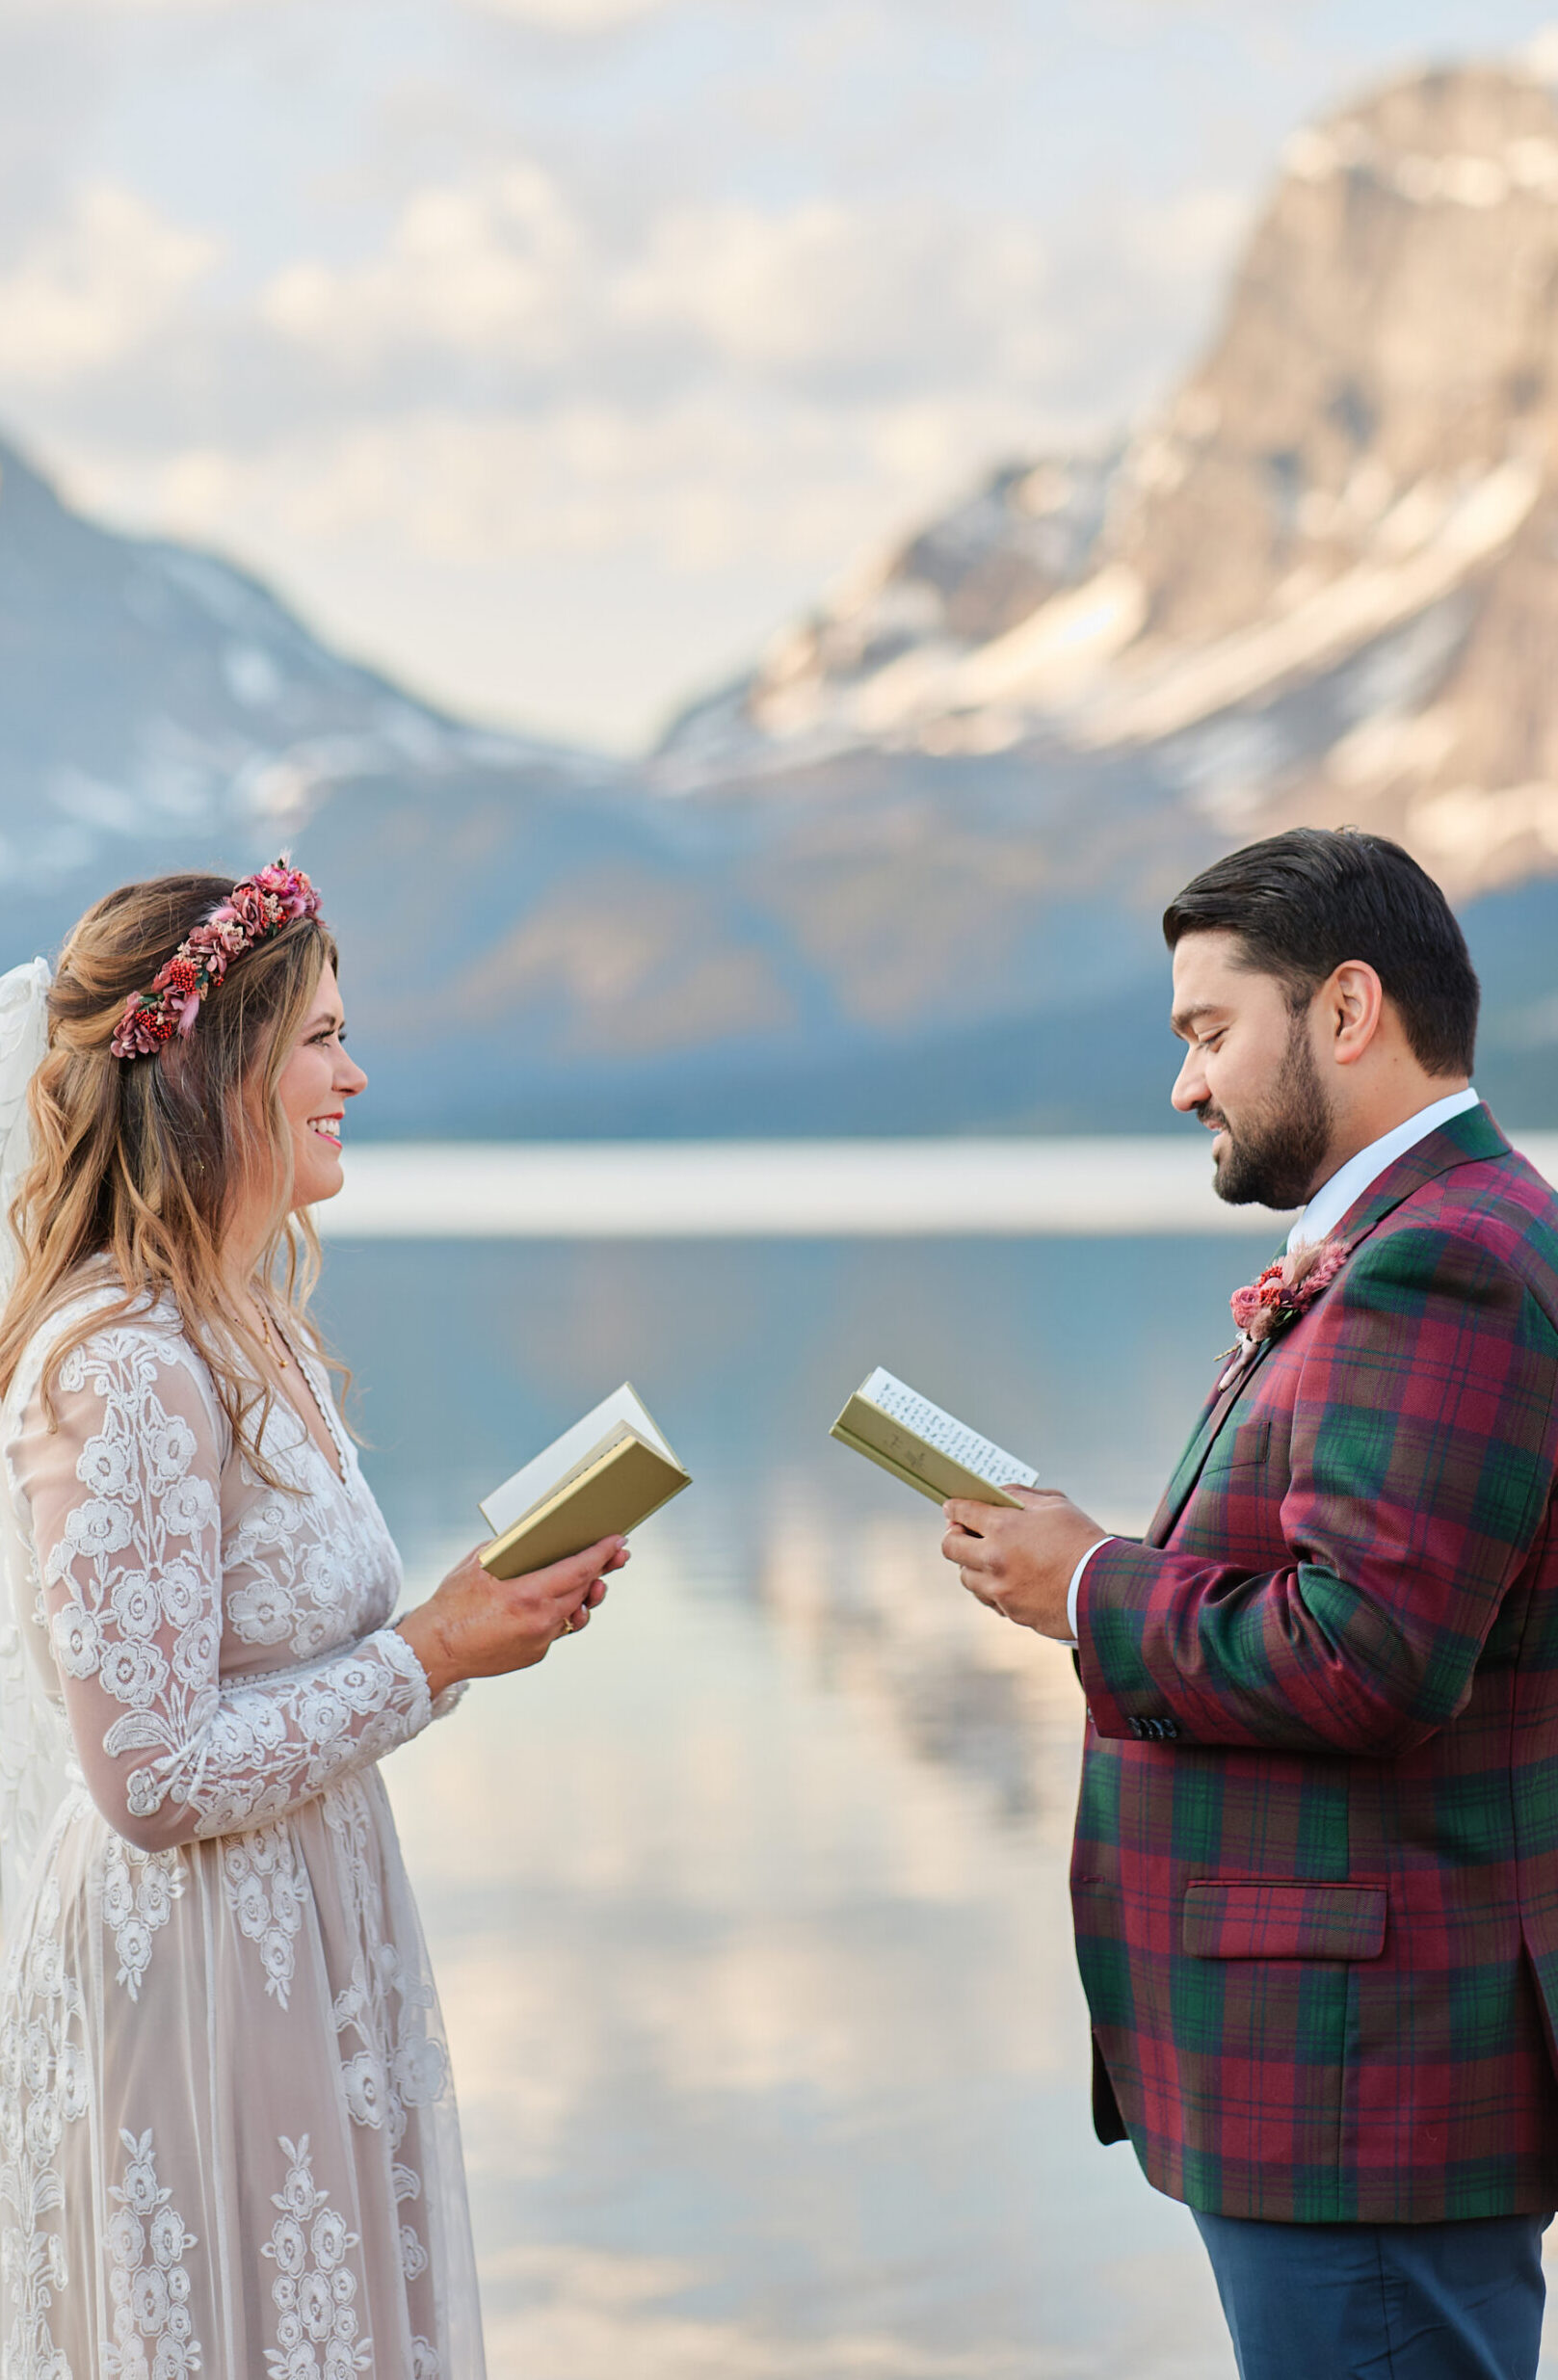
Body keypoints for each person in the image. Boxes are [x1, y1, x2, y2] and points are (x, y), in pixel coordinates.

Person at [940, 827, 1558, 2380]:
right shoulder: (1429, 1237)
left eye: (1208, 1031)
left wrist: (1087, 1585)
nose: (1184, 1083)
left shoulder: (1443, 1263)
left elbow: (1362, 1660)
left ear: (1344, 1011)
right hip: (1365, 2074)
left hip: (1370, 2084)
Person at [0, 862, 627, 2378]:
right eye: (320, 1038)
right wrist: (432, 1651)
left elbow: (298, 1663)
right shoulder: (127, 1356)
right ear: (216, 1064)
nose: (354, 1073)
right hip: (193, 1970)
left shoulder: (251, 1318)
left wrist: (465, 1628)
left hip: (312, 1933)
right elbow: (144, 1777)